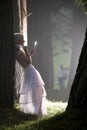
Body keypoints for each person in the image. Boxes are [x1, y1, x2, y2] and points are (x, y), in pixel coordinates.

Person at [14, 33, 47, 117]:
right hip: (30, 72)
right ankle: (36, 111)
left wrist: (30, 54)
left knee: (37, 91)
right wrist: (25, 51)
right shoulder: (18, 50)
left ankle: (37, 111)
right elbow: (29, 62)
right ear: (19, 41)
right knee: (36, 91)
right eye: (22, 40)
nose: (24, 41)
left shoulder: (18, 49)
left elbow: (26, 61)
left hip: (30, 71)